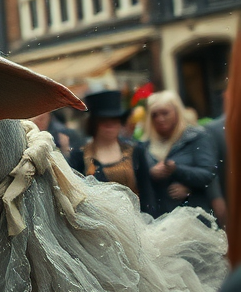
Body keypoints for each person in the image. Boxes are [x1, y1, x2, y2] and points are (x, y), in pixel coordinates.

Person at [69, 89, 154, 213]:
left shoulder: (136, 152)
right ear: (94, 123)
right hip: (97, 225)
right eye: (104, 120)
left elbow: (148, 195)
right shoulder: (79, 156)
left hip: (136, 223)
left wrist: (148, 224)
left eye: (115, 119)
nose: (110, 125)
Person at [139, 90, 218, 218]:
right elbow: (137, 182)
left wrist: (177, 171)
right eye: (154, 115)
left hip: (193, 219)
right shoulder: (143, 145)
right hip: (157, 220)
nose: (160, 119)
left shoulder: (196, 137)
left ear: (177, 112)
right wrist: (150, 174)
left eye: (165, 113)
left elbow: (209, 174)